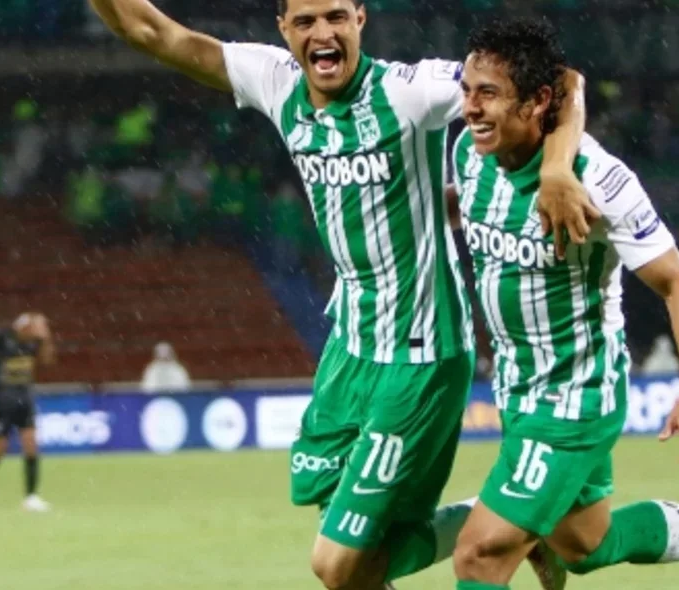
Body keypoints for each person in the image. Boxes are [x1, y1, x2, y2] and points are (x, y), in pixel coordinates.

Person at [89, 1, 600, 588]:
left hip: (419, 355)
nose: (321, 32)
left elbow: (562, 81)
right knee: (351, 549)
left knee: (336, 565)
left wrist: (557, 168)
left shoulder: (412, 91)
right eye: (304, 21)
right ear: (283, 30)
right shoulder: (275, 80)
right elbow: (150, 29)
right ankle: (512, 528)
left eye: (335, 16)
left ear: (361, 19)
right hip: (349, 348)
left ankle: (511, 528)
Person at [446, 18, 679, 590]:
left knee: (480, 555)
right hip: (518, 388)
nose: (469, 107)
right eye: (467, 91)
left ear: (539, 102)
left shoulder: (601, 179)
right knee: (585, 545)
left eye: (487, 94)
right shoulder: (470, 154)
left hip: (576, 395)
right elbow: (468, 205)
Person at [0, 312, 57, 515]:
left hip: (24, 398)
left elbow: (47, 360)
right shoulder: (2, 338)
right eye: (34, 327)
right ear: (23, 328)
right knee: (0, 445)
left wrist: (46, 339)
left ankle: (31, 497)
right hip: (2, 398)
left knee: (31, 445)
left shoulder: (34, 343)